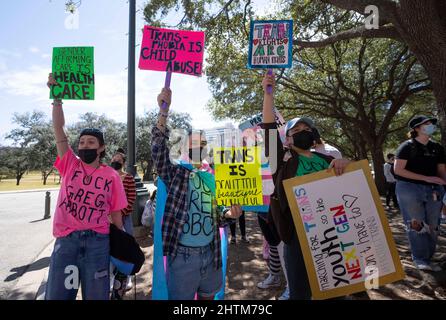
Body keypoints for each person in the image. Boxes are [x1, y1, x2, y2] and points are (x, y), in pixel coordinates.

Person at [261, 71, 350, 300]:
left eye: (306, 130)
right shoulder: (281, 161)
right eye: (296, 131)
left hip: (334, 232)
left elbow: (350, 186)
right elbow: (269, 129)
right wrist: (268, 94)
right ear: (288, 139)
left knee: (336, 291)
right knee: (300, 292)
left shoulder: (327, 160)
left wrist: (345, 164)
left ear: (314, 136)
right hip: (298, 236)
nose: (302, 133)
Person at [151, 87, 242, 300]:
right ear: (183, 147)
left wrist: (229, 214)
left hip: (211, 253)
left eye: (202, 144)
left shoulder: (213, 177)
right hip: (182, 257)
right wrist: (163, 112)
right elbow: (157, 149)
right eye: (192, 143)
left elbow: (217, 212)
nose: (197, 147)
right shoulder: (174, 173)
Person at [45, 74, 128, 300]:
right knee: (58, 296)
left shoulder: (111, 175)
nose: (84, 146)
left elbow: (116, 212)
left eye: (91, 142)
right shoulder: (70, 164)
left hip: (98, 243)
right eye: (81, 142)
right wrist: (57, 99)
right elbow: (59, 131)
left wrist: (121, 240)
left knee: (96, 296)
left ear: (101, 148)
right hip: (67, 241)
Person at [394, 115, 446, 272]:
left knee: (433, 224)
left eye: (431, 123)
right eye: (426, 124)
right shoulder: (406, 147)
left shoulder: (437, 147)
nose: (430, 126)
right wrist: (426, 178)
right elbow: (398, 170)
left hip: (434, 190)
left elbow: (442, 171)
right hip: (409, 189)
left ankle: (428, 257)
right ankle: (420, 258)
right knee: (416, 224)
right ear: (416, 128)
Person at [109, 148, 136, 300]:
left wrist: (118, 215)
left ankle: (127, 277)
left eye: (119, 160)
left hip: (123, 218)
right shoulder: (106, 175)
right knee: (110, 249)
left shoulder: (128, 178)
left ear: (123, 163)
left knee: (125, 248)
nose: (116, 161)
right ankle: (112, 279)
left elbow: (131, 198)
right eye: (114, 158)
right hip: (107, 219)